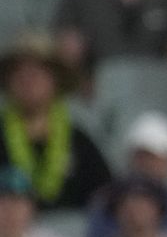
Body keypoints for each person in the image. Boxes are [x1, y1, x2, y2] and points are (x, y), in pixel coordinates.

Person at [0, 39, 112, 213]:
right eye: (18, 73)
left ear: (56, 81)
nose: (27, 81)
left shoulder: (79, 140)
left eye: (37, 73)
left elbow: (105, 195)